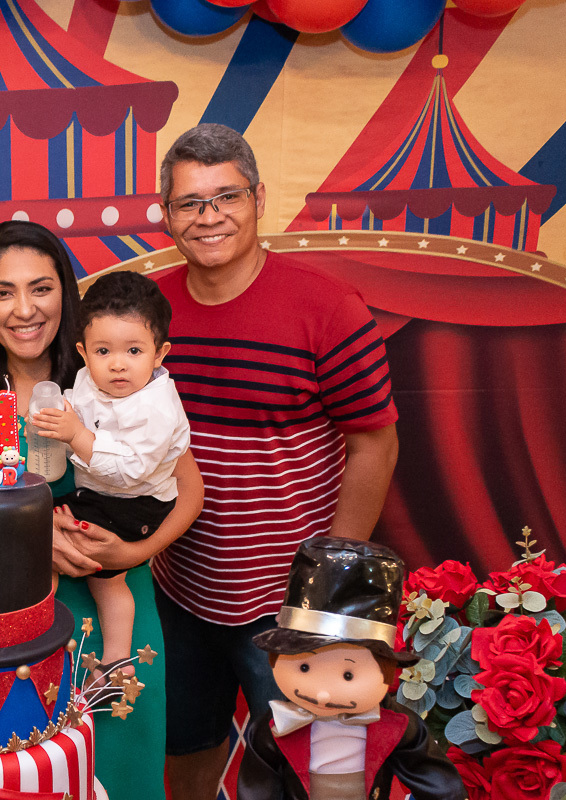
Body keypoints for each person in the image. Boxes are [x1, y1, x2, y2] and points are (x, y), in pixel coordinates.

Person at [0, 220, 204, 800]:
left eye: (41, 288)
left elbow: (189, 489)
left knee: (120, 775)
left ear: (66, 292)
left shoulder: (108, 373)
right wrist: (26, 540)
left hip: (113, 620)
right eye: (3, 291)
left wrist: (133, 551)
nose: (25, 309)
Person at [149, 123, 400, 800]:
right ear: (165, 215)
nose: (209, 217)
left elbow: (374, 442)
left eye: (226, 196)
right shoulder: (151, 311)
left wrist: (328, 591)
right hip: (181, 591)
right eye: (189, 202)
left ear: (259, 199)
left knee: (317, 773)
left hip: (291, 601)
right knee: (185, 752)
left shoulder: (327, 307)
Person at [31, 271, 193, 681]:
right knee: (42, 533)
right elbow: (79, 404)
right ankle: (34, 631)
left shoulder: (157, 407)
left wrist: (77, 435)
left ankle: (115, 659)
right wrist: (60, 416)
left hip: (138, 500)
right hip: (98, 496)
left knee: (105, 579)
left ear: (159, 353)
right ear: (83, 352)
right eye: (103, 351)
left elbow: (130, 471)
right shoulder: (89, 379)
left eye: (134, 350)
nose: (118, 364)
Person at [237, 537, 464, 800]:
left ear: (386, 669)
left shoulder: (398, 725)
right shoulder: (273, 728)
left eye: (348, 675)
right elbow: (258, 788)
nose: (323, 694)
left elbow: (434, 779)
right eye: (305, 668)